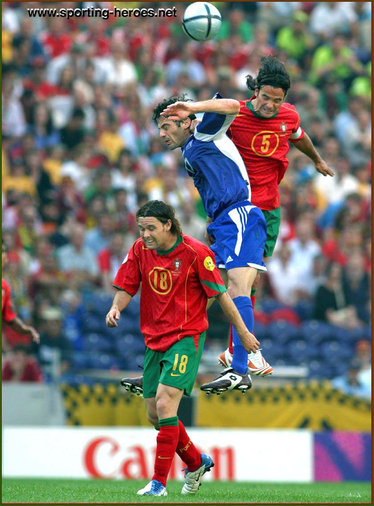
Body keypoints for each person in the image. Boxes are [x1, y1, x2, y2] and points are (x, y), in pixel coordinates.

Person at [169, 55, 334, 369]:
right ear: (255, 91)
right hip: (240, 209)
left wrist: (316, 159)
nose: (270, 105)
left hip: (270, 209)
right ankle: (239, 353)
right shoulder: (236, 116)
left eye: (277, 100)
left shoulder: (289, 116)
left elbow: (299, 136)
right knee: (234, 283)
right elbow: (211, 160)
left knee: (251, 282)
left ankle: (236, 351)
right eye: (265, 97)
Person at [106, 200, 259, 496]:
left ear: (168, 225)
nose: (145, 234)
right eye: (141, 228)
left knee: (165, 404)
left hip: (186, 338)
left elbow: (223, 296)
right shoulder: (140, 250)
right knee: (156, 416)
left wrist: (243, 333)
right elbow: (127, 285)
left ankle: (158, 484)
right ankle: (195, 461)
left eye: (150, 228)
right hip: (154, 341)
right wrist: (116, 308)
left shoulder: (196, 254)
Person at [156, 93, 273, 390]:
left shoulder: (205, 131)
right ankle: (162, 358)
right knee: (204, 293)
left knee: (237, 287)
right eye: (159, 127)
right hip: (222, 225)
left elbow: (232, 105)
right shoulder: (189, 150)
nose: (162, 133)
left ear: (185, 121)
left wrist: (192, 106)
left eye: (167, 126)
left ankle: (241, 366)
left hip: (239, 216)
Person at [2, 240, 40, 348]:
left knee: (27, 312)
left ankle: (27, 340)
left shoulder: (20, 280)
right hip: (8, 304)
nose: (14, 267)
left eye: (16, 264)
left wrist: (28, 303)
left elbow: (24, 295)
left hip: (19, 304)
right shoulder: (4, 278)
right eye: (12, 264)